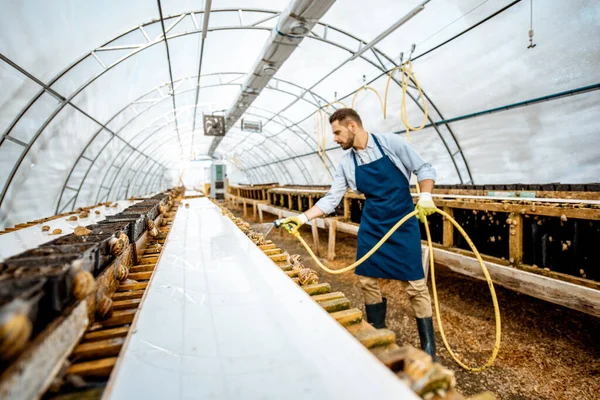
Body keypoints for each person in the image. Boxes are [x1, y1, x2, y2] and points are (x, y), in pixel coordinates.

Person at [279, 108, 438, 360]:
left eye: (338, 132)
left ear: (352, 126)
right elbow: (332, 200)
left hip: (403, 222)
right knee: (367, 280)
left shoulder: (390, 144)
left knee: (416, 286)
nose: (335, 139)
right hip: (373, 225)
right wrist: (301, 218)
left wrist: (426, 196)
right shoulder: (347, 163)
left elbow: (424, 168)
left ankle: (429, 347)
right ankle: (378, 334)